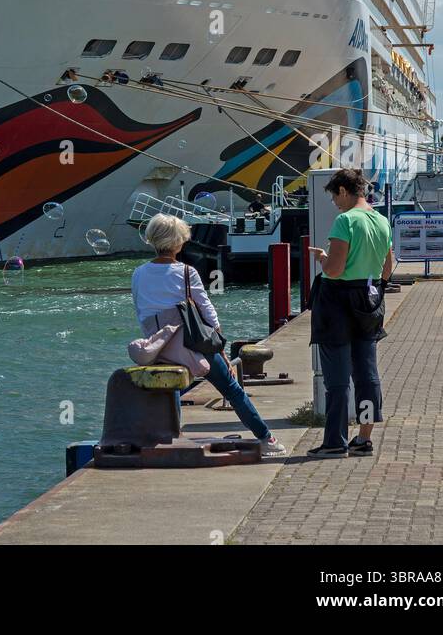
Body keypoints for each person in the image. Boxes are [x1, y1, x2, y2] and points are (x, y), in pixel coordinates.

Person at [131, 214, 285, 456]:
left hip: (157, 347)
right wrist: (220, 347)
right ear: (178, 242)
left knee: (172, 391)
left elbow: (141, 312)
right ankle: (267, 438)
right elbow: (208, 314)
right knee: (232, 390)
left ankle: (171, 437)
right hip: (191, 344)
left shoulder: (138, 273)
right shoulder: (185, 272)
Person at [307, 169, 393, 458]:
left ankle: (334, 441)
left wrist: (322, 258)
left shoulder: (345, 221)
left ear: (344, 191)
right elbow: (387, 268)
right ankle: (363, 438)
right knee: (367, 374)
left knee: (338, 377)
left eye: (334, 196)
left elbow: (334, 269)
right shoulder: (381, 221)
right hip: (369, 299)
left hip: (337, 302)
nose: (334, 202)